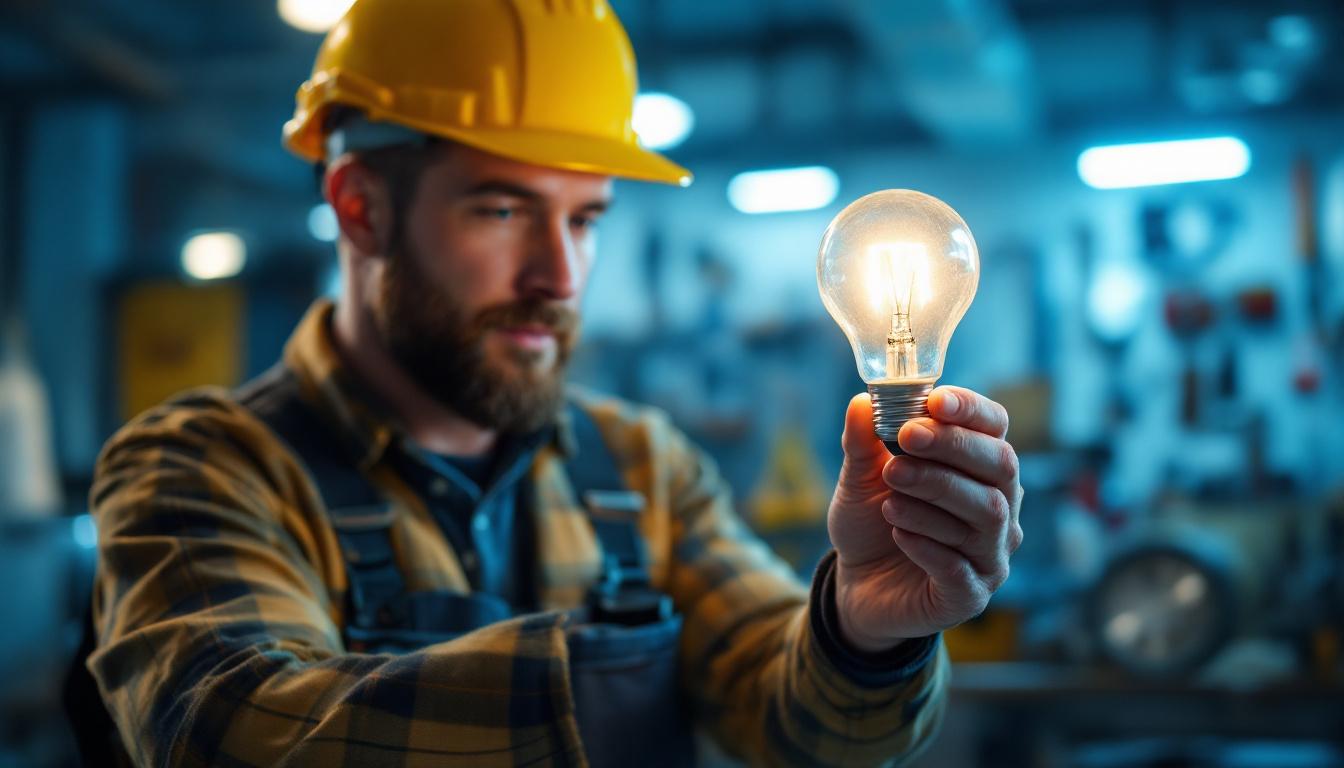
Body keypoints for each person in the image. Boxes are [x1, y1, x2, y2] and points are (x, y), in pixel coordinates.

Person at [85, 0, 1023, 765]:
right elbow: (227, 731)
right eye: (503, 208)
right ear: (361, 210)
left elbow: (804, 727)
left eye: (584, 220)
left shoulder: (644, 469)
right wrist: (594, 681)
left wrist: (861, 631)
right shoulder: (205, 467)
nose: (562, 276)